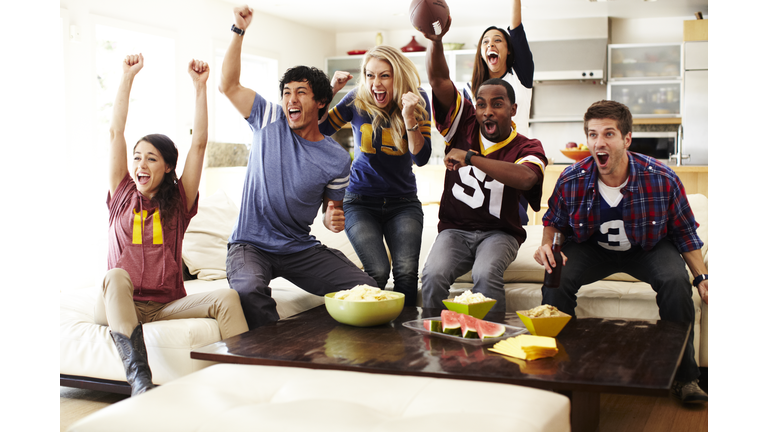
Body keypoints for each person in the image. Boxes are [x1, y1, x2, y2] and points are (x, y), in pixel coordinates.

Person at [534, 100, 709, 404]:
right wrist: (548, 244)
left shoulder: (661, 178)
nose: (599, 142)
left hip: (649, 247)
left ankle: (685, 377)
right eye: (592, 134)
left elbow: (684, 232)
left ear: (627, 139)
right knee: (556, 280)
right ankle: (561, 370)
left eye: (609, 134)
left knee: (675, 283)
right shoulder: (571, 178)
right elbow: (553, 221)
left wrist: (702, 277)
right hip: (592, 247)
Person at [96, 54, 248, 396]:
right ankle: (139, 379)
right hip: (121, 303)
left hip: (164, 306)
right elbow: (115, 131)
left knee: (226, 297)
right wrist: (127, 77)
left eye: (151, 158)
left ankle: (246, 376)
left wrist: (200, 87)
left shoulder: (178, 203)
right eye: (137, 157)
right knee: (116, 275)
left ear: (167, 167)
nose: (140, 164)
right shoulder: (121, 191)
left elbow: (199, 144)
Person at [220, 5, 377, 330]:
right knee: (249, 288)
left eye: (300, 92)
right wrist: (238, 30)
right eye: (287, 92)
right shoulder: (268, 118)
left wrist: (333, 218)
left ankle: (329, 349)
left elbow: (330, 212)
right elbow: (229, 85)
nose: (291, 99)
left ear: (321, 102)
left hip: (297, 247)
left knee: (366, 290)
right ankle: (277, 358)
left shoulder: (336, 158)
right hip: (250, 244)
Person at [417, 17, 547, 313]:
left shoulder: (527, 146)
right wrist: (435, 41)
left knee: (485, 273)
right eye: (481, 104)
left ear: (513, 110)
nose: (487, 112)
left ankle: (492, 347)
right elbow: (438, 80)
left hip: (500, 232)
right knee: (433, 274)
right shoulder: (463, 124)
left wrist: (471, 157)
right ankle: (434, 342)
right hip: (455, 230)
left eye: (497, 104)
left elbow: (527, 179)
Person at [319, 45, 432, 307]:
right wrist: (332, 91)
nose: (375, 84)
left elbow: (421, 157)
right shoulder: (356, 99)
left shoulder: (417, 99)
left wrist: (408, 118)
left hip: (403, 203)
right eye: (370, 75)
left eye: (384, 75)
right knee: (378, 272)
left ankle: (404, 340)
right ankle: (371, 337)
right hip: (359, 200)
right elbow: (322, 128)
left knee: (405, 273)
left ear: (399, 76)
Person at [463, 0, 534, 224]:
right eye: (485, 42)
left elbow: (516, 27)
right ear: (482, 53)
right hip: (483, 162)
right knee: (482, 220)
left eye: (497, 40)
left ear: (508, 49)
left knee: (515, 218)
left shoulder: (520, 77)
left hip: (517, 159)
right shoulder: (470, 88)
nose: (490, 44)